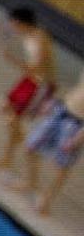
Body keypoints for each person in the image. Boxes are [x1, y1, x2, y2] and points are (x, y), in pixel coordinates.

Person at [0, 7, 58, 173]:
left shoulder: (38, 41)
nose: (11, 26)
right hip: (30, 81)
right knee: (6, 109)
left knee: (13, 119)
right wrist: (2, 30)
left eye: (13, 24)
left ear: (20, 23)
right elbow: (11, 31)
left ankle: (10, 154)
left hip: (41, 86)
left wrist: (11, 60)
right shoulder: (29, 31)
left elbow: (35, 68)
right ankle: (15, 140)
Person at [19, 80, 84, 216]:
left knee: (62, 167)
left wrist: (78, 138)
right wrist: (53, 103)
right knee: (30, 146)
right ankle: (31, 183)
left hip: (77, 124)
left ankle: (46, 201)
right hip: (61, 110)